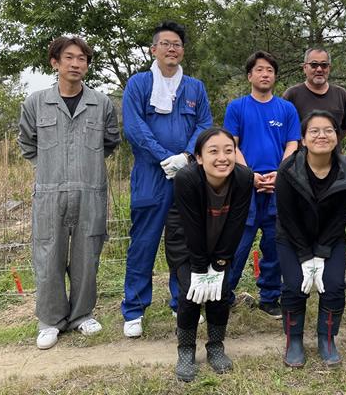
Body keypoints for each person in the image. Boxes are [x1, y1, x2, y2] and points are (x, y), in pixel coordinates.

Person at [18, 36, 121, 349]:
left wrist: (85, 166)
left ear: (87, 65)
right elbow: (26, 142)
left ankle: (81, 315)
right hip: (50, 193)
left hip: (91, 190)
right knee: (48, 255)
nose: (76, 64)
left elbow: (111, 141)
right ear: (55, 63)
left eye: (82, 59)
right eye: (69, 58)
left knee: (87, 254)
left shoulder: (101, 103)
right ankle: (50, 320)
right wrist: (46, 168)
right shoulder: (36, 102)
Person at [121, 21, 212, 337]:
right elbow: (134, 127)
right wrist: (163, 157)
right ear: (154, 49)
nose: (172, 49)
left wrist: (186, 157)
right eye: (166, 43)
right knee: (143, 242)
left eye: (177, 44)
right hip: (151, 174)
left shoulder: (195, 87)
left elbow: (204, 125)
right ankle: (133, 310)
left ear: (183, 50)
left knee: (186, 243)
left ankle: (183, 303)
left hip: (187, 174)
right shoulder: (139, 84)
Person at [164, 128, 254, 382]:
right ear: (199, 157)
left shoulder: (244, 177)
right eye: (213, 151)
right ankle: (185, 350)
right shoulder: (187, 178)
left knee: (220, 293)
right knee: (189, 293)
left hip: (221, 242)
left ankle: (215, 347)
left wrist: (220, 264)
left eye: (229, 150)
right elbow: (191, 227)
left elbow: (236, 223)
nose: (222, 157)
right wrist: (201, 269)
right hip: (185, 243)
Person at [275, 110, 346, 368]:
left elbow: (339, 219)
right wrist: (304, 256)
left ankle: (327, 339)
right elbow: (287, 217)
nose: (321, 135)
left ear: (337, 136)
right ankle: (295, 340)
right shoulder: (288, 169)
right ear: (303, 139)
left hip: (330, 238)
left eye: (328, 130)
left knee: (333, 286)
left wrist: (320, 254)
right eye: (314, 131)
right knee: (294, 285)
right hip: (291, 237)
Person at [224, 51, 301, 318]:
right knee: (238, 244)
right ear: (249, 76)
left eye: (269, 70)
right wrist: (249, 175)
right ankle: (224, 296)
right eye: (259, 70)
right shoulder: (237, 107)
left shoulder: (286, 109)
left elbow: (293, 145)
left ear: (275, 76)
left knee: (275, 245)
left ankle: (269, 297)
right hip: (245, 186)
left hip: (278, 186)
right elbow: (231, 145)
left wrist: (280, 174)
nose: (265, 74)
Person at [283, 48, 346, 150]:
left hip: (334, 161)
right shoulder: (292, 95)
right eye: (314, 65)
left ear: (329, 68)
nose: (319, 69)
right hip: (301, 162)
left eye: (324, 65)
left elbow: (344, 129)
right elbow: (283, 131)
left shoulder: (341, 94)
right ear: (305, 67)